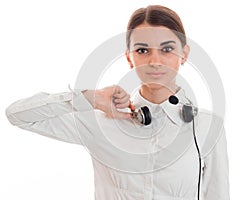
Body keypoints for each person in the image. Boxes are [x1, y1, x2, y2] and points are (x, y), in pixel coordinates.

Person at [6, 5, 230, 200]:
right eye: (142, 50)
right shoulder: (102, 122)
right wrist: (88, 97)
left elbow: (218, 195)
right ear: (129, 57)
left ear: (184, 54)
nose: (154, 61)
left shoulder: (207, 127)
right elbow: (17, 115)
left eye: (167, 49)